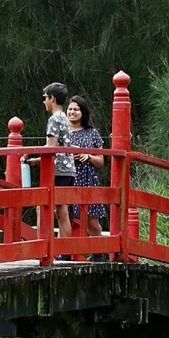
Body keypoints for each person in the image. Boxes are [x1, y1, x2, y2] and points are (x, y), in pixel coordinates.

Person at [26, 82, 74, 243]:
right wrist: (37, 161)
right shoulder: (65, 118)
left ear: (52, 99)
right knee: (62, 210)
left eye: (45, 98)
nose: (44, 101)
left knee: (42, 207)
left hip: (57, 169)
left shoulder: (54, 119)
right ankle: (64, 252)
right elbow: (61, 148)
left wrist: (30, 152)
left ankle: (43, 248)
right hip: (68, 169)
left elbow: (51, 148)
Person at [66, 95, 108, 238]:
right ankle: (64, 253)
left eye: (76, 109)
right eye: (70, 109)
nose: (72, 112)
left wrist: (88, 156)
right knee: (66, 217)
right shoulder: (63, 133)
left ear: (83, 112)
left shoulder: (92, 133)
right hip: (67, 178)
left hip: (87, 179)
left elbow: (101, 161)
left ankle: (98, 252)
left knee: (92, 221)